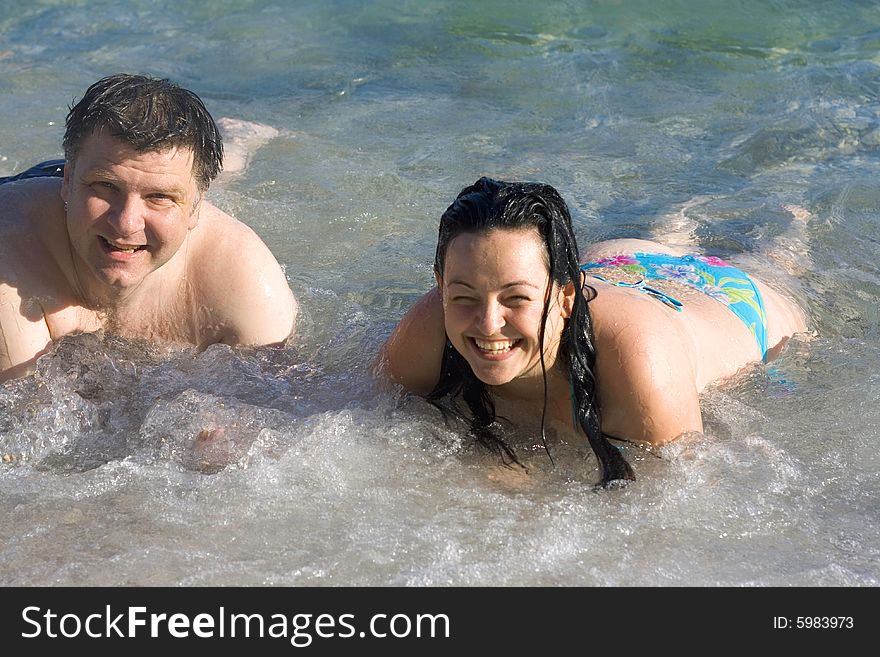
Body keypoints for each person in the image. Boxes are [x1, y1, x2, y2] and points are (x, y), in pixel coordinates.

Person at [379, 177, 808, 487]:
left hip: (734, 303)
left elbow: (684, 497)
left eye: (515, 299)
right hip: (620, 263)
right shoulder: (432, 322)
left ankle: (792, 225)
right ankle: (675, 228)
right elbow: (358, 414)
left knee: (775, 257)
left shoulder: (638, 360)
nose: (488, 322)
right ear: (440, 286)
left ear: (565, 296)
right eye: (464, 296)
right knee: (668, 232)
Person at [0, 73, 297, 382]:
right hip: (29, 193)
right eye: (105, 187)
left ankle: (236, 142)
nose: (126, 222)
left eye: (159, 198)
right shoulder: (10, 265)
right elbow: (23, 414)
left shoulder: (247, 284)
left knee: (203, 177)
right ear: (68, 182)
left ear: (196, 208)